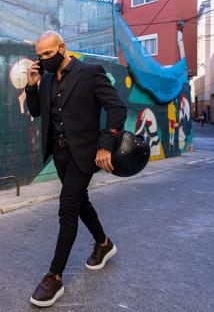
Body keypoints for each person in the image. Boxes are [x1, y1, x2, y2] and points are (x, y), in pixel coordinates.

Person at [25, 31, 127, 308]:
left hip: (84, 154)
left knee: (67, 206)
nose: (44, 59)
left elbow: (117, 108)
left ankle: (54, 277)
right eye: (40, 55)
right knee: (80, 201)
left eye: (48, 53)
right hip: (59, 153)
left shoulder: (90, 72)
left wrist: (106, 145)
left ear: (62, 48)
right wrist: (32, 85)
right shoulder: (45, 79)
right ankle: (103, 243)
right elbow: (36, 111)